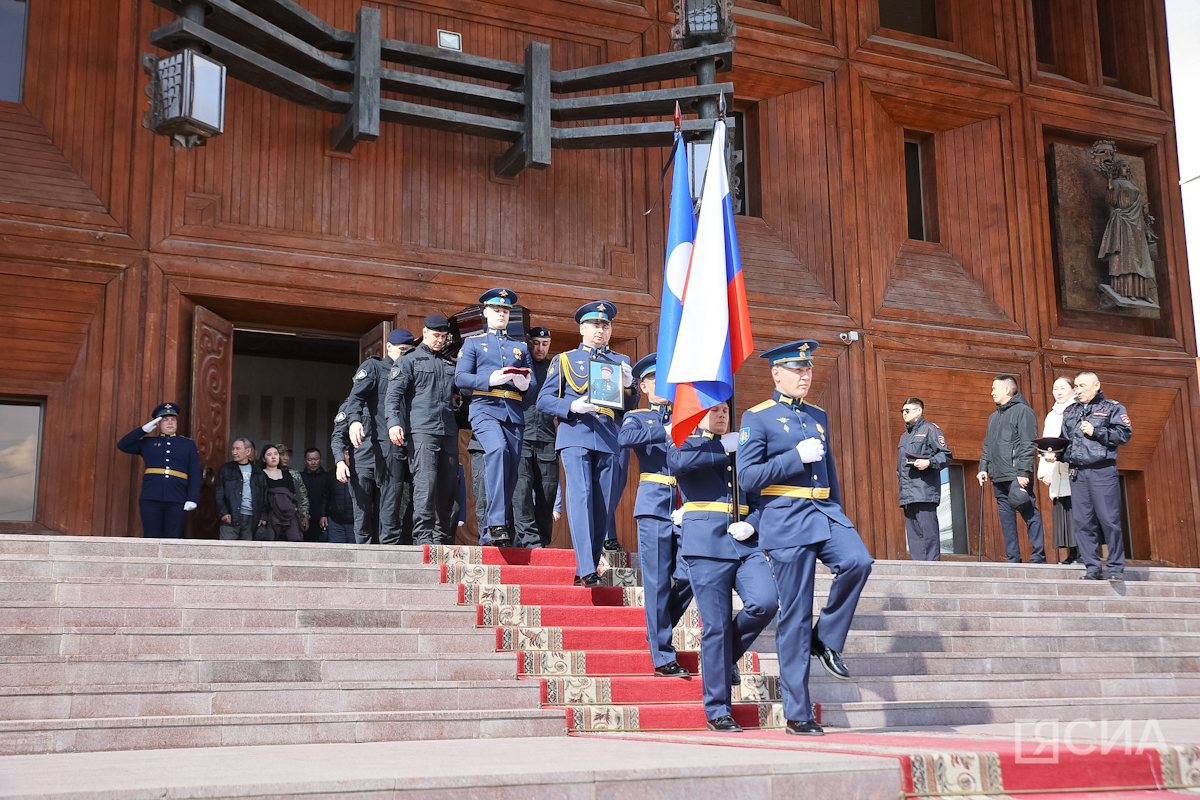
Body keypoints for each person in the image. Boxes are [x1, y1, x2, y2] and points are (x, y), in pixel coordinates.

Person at [738, 340, 873, 737]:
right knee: (794, 616)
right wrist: (794, 457)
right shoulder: (756, 417)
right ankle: (798, 713)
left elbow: (827, 471)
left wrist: (839, 512)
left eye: (809, 369)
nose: (805, 375)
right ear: (777, 374)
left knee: (858, 561)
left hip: (824, 512)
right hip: (785, 519)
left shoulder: (818, 416)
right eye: (797, 370)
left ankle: (826, 636)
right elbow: (747, 478)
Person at [670, 401, 778, 732]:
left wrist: (754, 523)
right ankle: (718, 709)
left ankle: (723, 657)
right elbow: (678, 462)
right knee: (715, 626)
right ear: (699, 414)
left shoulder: (743, 448)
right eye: (714, 410)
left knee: (765, 602)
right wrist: (721, 447)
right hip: (705, 544)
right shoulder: (685, 441)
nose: (722, 415)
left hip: (744, 542)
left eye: (725, 411)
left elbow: (760, 497)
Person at [537, 301, 637, 587]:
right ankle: (586, 567)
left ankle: (588, 568)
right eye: (595, 325)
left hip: (609, 435)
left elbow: (629, 404)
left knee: (604, 506)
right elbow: (544, 400)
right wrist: (572, 406)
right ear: (582, 328)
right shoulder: (566, 360)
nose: (600, 330)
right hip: (576, 433)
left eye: (605, 326)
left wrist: (630, 386)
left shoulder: (620, 362)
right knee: (580, 498)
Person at [619, 354, 692, 677]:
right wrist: (664, 431)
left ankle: (658, 624)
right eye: (657, 381)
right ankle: (663, 656)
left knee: (691, 575)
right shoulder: (638, 417)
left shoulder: (688, 417)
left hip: (685, 504)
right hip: (654, 504)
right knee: (658, 582)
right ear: (645, 386)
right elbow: (625, 440)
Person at [455, 289, 537, 546]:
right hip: (484, 409)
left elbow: (533, 386)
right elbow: (460, 378)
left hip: (513, 412)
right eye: (496, 310)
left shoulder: (519, 347)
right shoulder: (473, 343)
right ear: (486, 313)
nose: (501, 314)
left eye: (505, 311)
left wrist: (524, 385)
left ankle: (493, 532)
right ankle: (496, 522)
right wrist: (490, 379)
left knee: (511, 470)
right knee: (498, 451)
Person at [388, 315, 460, 546]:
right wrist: (394, 423)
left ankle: (442, 538)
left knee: (448, 486)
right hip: (422, 430)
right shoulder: (409, 360)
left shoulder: (449, 364)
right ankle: (423, 538)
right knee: (425, 484)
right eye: (436, 336)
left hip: (448, 431)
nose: (439, 341)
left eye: (443, 336)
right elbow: (393, 396)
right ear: (425, 333)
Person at [1057, 371, 1133, 582]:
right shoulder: (1070, 411)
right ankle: (1092, 568)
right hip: (1078, 473)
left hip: (1102, 471)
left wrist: (1096, 431)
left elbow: (1124, 434)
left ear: (1096, 385)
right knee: (1082, 523)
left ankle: (1116, 567)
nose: (1078, 390)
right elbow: (1066, 442)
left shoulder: (1112, 407)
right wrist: (1053, 453)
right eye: (1077, 387)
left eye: (1082, 386)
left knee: (1109, 521)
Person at [347, 329, 416, 545]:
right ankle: (383, 550)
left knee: (404, 501)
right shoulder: (374, 367)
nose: (404, 355)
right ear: (388, 347)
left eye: (408, 351)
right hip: (380, 447)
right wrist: (354, 421)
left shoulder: (413, 371)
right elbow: (355, 397)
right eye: (401, 350)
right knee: (377, 505)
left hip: (410, 444)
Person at [977, 374, 1046, 564]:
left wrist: (1023, 472)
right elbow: (987, 445)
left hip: (1017, 475)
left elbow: (1028, 443)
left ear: (1007, 390)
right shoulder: (993, 417)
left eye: (994, 388)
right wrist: (983, 468)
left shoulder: (1024, 411)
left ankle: (1038, 556)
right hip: (998, 476)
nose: (991, 392)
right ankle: (1013, 558)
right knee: (1007, 521)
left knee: (1029, 512)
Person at [117, 402, 201, 539]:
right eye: (165, 420)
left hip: (177, 496)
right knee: (151, 536)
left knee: (173, 537)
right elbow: (123, 445)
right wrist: (143, 430)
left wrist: (193, 498)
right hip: (151, 496)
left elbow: (195, 473)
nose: (170, 423)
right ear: (158, 424)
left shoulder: (187, 444)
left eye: (173, 419)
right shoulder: (148, 443)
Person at [514, 327, 558, 548]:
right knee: (521, 491)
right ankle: (529, 541)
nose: (539, 348)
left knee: (547, 492)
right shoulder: (519, 366)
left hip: (547, 438)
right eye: (535, 343)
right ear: (527, 342)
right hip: (521, 436)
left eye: (545, 343)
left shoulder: (555, 369)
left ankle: (542, 541)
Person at [896, 398, 952, 561]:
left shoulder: (930, 430)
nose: (904, 414)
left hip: (924, 491)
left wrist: (929, 462)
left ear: (919, 411)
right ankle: (919, 569)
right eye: (903, 411)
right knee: (914, 537)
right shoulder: (903, 437)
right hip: (907, 493)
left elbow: (946, 455)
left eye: (908, 410)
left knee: (929, 533)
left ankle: (932, 568)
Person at [1038, 377, 1080, 565]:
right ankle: (1071, 553)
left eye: (1063, 388)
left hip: (1074, 468)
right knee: (1064, 510)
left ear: (1073, 389)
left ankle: (1082, 553)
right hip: (1056, 468)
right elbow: (1047, 443)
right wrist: (1045, 471)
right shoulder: (1051, 415)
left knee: (1078, 511)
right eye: (1055, 388)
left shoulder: (1079, 409)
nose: (1058, 392)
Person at [214, 437, 267, 540]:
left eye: (238, 449)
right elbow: (219, 493)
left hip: (252, 519)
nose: (234, 452)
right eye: (233, 449)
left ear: (248, 451)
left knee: (247, 553)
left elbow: (264, 496)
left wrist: (263, 516)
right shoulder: (226, 469)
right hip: (231, 517)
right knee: (226, 550)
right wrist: (223, 512)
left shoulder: (258, 472)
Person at [260, 444, 302, 542]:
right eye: (269, 454)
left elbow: (293, 495)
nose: (273, 457)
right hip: (269, 514)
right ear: (263, 459)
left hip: (287, 514)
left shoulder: (287, 474)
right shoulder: (259, 474)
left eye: (276, 454)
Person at [276, 445, 311, 537]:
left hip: (294, 517)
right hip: (275, 518)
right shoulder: (268, 474)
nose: (286, 458)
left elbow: (303, 496)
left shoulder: (294, 474)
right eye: (282, 455)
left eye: (287, 455)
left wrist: (305, 516)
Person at [299, 448, 331, 543]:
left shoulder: (327, 477)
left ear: (321, 460)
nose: (313, 462)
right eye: (310, 460)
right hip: (304, 521)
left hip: (323, 520)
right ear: (305, 461)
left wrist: (324, 515)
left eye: (316, 459)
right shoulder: (300, 477)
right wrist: (302, 516)